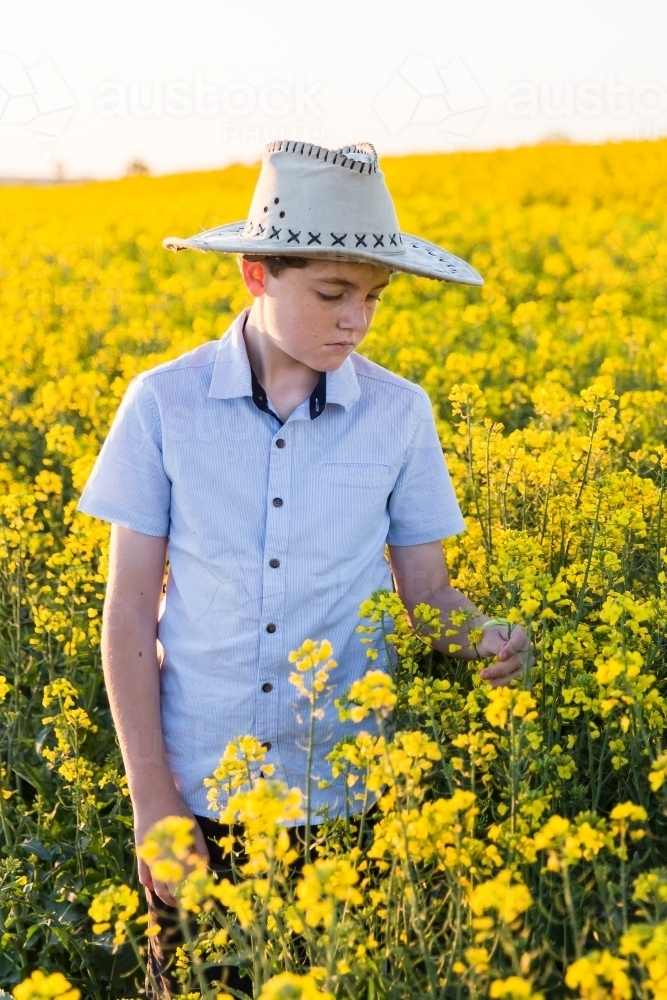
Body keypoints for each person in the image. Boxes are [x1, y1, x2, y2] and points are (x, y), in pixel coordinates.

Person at [78, 140, 532, 997]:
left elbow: (426, 593)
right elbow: (130, 611)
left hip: (349, 793)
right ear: (255, 275)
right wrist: (153, 803)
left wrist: (486, 640)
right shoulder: (164, 404)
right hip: (201, 790)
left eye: (371, 297)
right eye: (331, 294)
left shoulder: (399, 414)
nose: (355, 320)